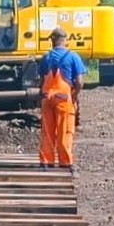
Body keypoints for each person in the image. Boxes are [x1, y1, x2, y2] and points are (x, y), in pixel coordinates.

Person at [38, 27, 85, 168]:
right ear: (65, 40)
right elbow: (80, 82)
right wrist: (74, 95)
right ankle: (65, 162)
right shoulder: (73, 57)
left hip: (47, 99)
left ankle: (46, 162)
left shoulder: (46, 57)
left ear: (52, 40)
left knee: (47, 131)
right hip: (63, 99)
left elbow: (41, 81)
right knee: (64, 130)